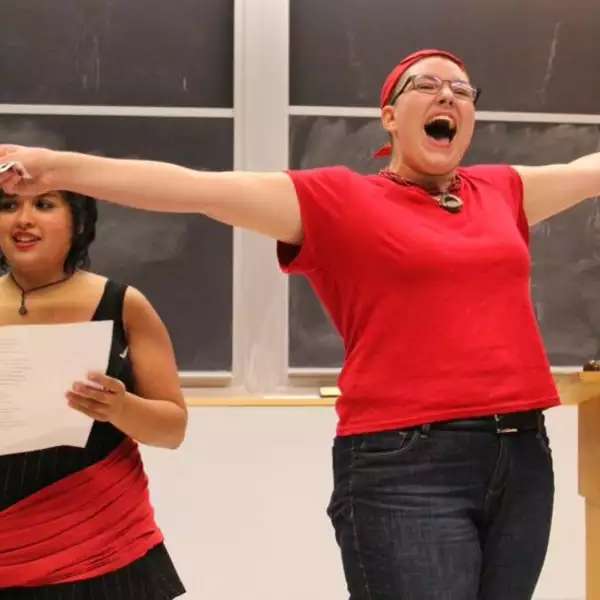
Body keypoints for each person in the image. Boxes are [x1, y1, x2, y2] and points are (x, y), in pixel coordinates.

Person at [1, 47, 599, 599]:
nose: (447, 96)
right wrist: (56, 169)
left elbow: (589, 168)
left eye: (461, 89)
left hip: (521, 455)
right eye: (427, 85)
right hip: (407, 464)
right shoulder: (340, 201)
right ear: (389, 117)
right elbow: (195, 189)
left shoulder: (502, 190)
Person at [0, 188, 187, 598]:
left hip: (105, 549)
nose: (23, 219)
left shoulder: (124, 304)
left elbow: (171, 430)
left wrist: (119, 406)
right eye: (9, 206)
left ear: (78, 223)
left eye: (44, 205)